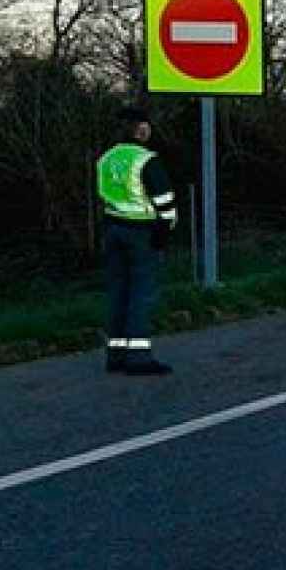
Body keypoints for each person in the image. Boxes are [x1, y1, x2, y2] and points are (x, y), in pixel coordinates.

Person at [97, 106, 177, 376]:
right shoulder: (146, 159)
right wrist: (165, 231)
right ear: (140, 129)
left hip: (113, 228)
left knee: (119, 293)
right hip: (142, 232)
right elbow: (164, 200)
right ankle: (139, 358)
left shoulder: (106, 158)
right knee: (141, 295)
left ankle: (116, 355)